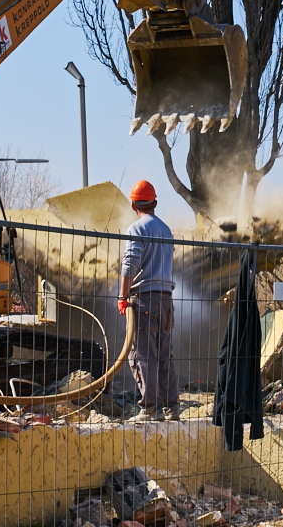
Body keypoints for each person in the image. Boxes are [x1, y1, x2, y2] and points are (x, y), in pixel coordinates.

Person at [118, 179, 179, 421]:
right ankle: (171, 408)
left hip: (144, 300)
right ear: (155, 202)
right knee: (165, 354)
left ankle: (149, 410)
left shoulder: (136, 229)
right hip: (166, 301)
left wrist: (123, 296)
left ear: (134, 205)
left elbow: (130, 263)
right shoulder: (166, 230)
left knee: (143, 354)